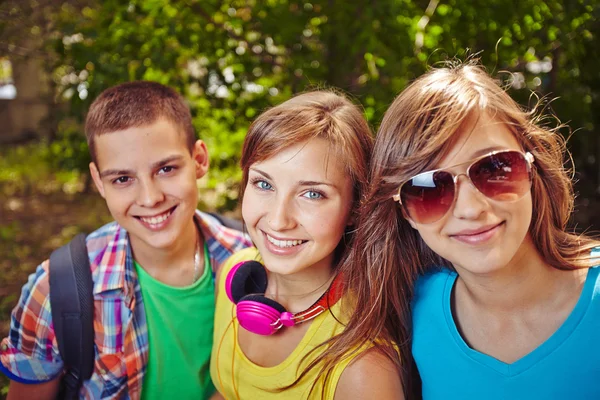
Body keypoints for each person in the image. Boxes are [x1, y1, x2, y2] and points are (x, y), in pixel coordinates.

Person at [346, 60, 600, 399]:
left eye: (495, 168)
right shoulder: (408, 310)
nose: (471, 209)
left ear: (532, 166)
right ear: (403, 210)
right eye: (428, 189)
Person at [0, 81, 251, 399]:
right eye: (122, 178)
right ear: (99, 182)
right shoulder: (56, 291)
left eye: (166, 169)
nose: (150, 198)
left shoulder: (254, 264)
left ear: (199, 160)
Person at [209, 90, 404, 399]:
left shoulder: (365, 370)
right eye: (263, 184)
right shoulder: (234, 274)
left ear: (356, 208)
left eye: (312, 193)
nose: (278, 220)